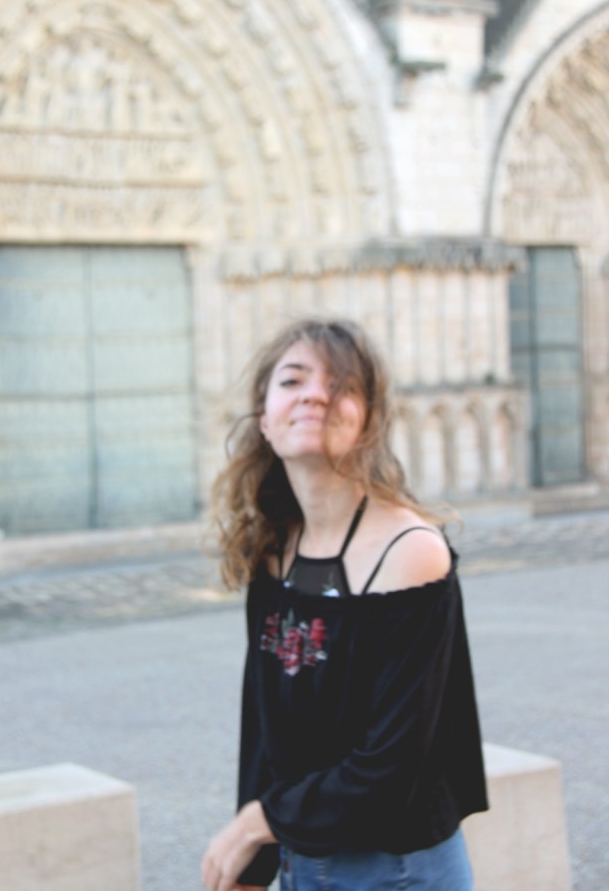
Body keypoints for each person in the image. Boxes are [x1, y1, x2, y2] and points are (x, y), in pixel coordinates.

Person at [201, 318, 488, 891]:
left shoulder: (411, 553)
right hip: (300, 862)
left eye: (340, 385)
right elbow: (265, 733)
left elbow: (393, 765)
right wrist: (255, 868)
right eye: (293, 381)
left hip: (398, 871)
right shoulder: (274, 553)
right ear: (265, 418)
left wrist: (260, 822)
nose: (314, 394)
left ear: (367, 420)